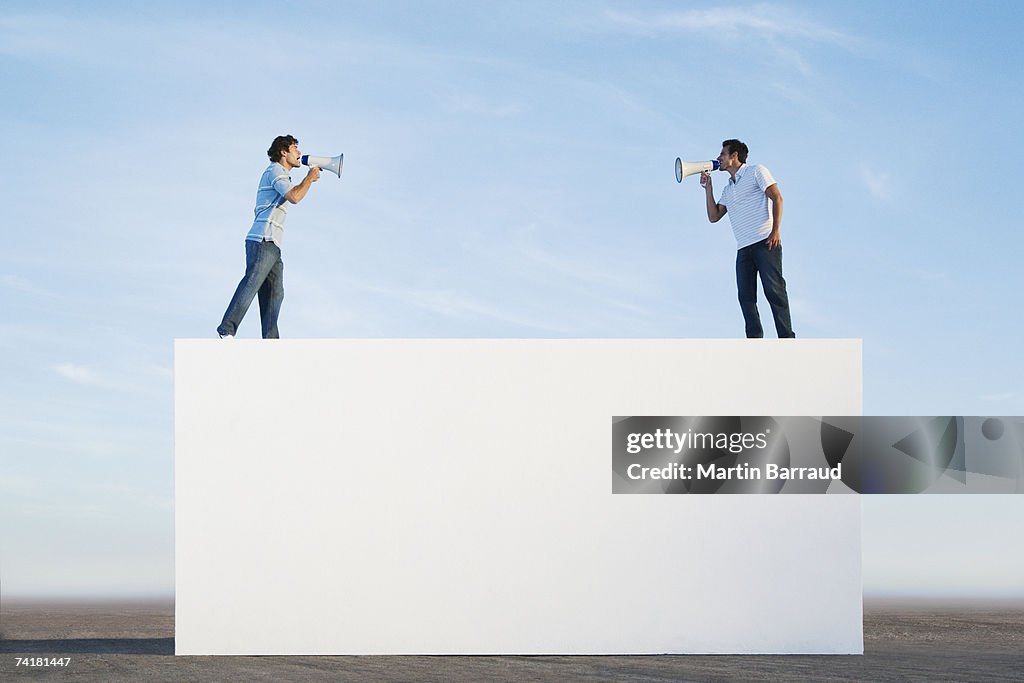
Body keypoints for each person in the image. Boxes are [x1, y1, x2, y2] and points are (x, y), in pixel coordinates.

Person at [217, 135, 320, 339]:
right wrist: (309, 178)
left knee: (274, 294)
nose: (299, 153)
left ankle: (271, 342)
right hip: (262, 240)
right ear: (283, 152)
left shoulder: (283, 175)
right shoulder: (275, 171)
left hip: (273, 244)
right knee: (253, 282)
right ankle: (226, 329)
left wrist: (308, 180)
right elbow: (295, 197)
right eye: (295, 148)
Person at [699, 139, 795, 338]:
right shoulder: (727, 189)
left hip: (765, 242)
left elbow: (777, 197)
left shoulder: (756, 171)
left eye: (722, 154)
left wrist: (775, 230)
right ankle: (754, 342)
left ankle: (787, 338)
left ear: (734, 156)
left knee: (774, 291)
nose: (718, 158)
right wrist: (708, 189)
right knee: (746, 297)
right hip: (744, 249)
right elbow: (714, 216)